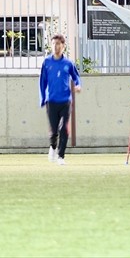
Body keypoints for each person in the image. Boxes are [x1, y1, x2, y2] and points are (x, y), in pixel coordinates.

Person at [39, 34, 82, 166]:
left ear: (63, 46)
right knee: (53, 130)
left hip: (65, 101)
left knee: (64, 128)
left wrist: (78, 85)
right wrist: (42, 98)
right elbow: (42, 82)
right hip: (51, 101)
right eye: (53, 44)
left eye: (58, 44)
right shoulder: (47, 62)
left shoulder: (68, 63)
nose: (56, 46)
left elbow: (76, 77)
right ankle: (52, 146)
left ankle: (61, 156)